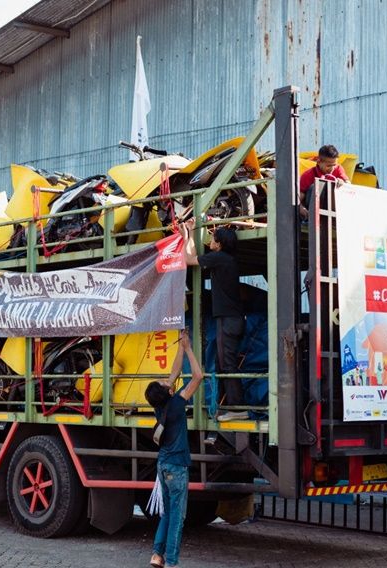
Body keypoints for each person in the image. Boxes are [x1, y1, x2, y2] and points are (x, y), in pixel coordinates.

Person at [180, 219, 249, 421]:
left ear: (219, 244)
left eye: (212, 238)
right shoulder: (225, 259)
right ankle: (229, 406)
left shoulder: (220, 258)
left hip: (228, 319)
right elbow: (193, 257)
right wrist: (191, 234)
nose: (210, 240)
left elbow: (187, 258)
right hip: (231, 319)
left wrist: (187, 235)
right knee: (223, 362)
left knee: (227, 363)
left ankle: (238, 408)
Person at [145, 331, 203, 568]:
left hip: (163, 465)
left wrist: (181, 345)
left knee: (167, 514)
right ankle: (172, 562)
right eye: (164, 382)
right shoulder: (178, 403)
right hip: (177, 467)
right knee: (177, 518)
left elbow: (175, 372)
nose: (166, 379)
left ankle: (157, 556)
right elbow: (198, 376)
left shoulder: (162, 406)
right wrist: (189, 349)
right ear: (168, 391)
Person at [299, 145, 350, 219]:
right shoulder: (308, 175)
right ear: (319, 162)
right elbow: (298, 199)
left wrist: (343, 184)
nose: (332, 169)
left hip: (334, 211)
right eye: (329, 166)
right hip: (312, 213)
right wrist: (301, 209)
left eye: (334, 165)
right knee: (316, 186)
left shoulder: (338, 169)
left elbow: (349, 186)